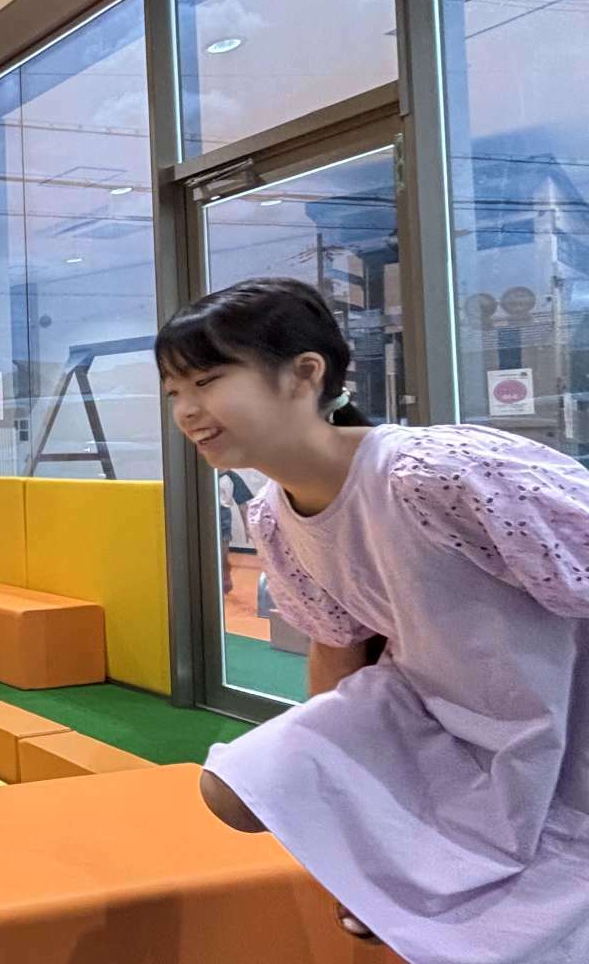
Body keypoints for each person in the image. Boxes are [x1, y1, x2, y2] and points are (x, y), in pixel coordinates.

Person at [156, 276, 589, 962]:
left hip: (554, 696)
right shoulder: (273, 516)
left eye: (207, 381)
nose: (187, 410)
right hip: (433, 700)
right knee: (242, 785)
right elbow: (335, 645)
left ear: (304, 374)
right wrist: (346, 832)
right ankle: (403, 886)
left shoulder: (435, 471)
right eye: (173, 391)